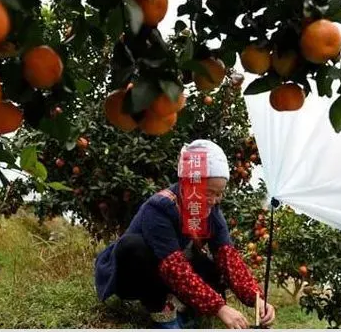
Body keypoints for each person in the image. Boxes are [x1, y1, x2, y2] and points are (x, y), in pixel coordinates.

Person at [94, 139, 276, 329]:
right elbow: (174, 268)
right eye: (209, 192)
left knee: (215, 267)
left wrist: (256, 299)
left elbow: (228, 258)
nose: (214, 200)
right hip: (134, 276)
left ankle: (183, 305)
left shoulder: (211, 210)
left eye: (219, 193)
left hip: (167, 271)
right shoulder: (160, 208)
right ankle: (162, 312)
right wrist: (219, 308)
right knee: (134, 246)